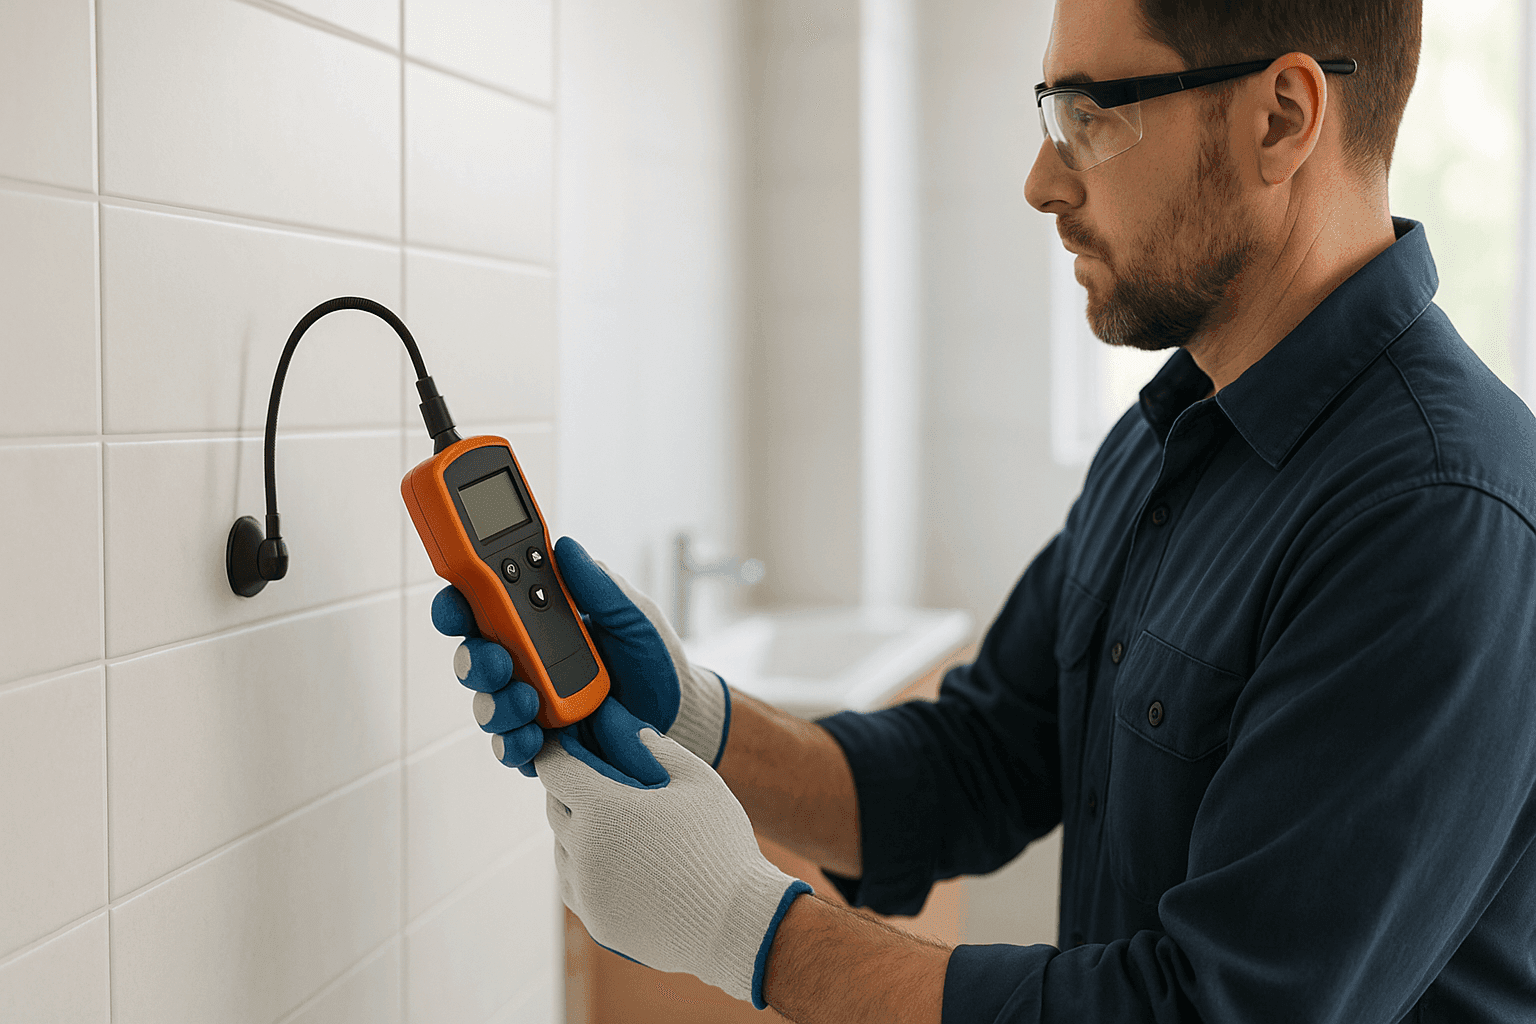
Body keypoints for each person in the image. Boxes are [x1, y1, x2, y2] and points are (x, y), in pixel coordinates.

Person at [432, 0, 1536, 1019]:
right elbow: (977, 760)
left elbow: (1213, 1008)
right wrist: (697, 717)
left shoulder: (1440, 516)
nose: (1041, 182)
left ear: (1282, 117)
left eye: (1090, 118)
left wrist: (748, 928)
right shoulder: (1168, 438)